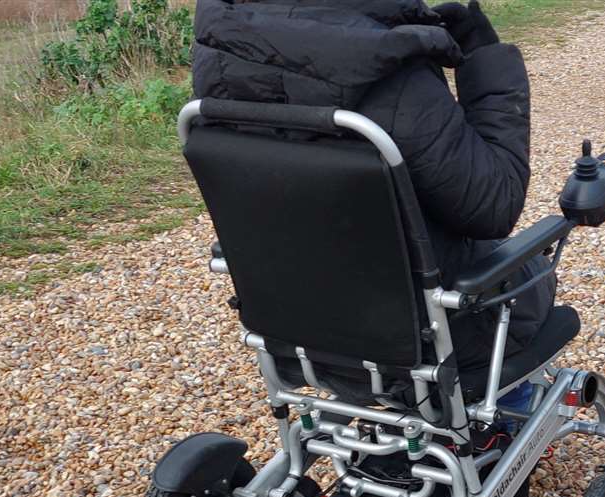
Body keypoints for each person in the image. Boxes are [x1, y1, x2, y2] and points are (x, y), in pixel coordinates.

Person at [191, 0, 554, 423]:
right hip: (429, 339)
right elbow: (495, 204)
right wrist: (483, 54)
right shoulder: (392, 75)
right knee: (531, 274)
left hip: (294, 332)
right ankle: (506, 416)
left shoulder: (220, 56)